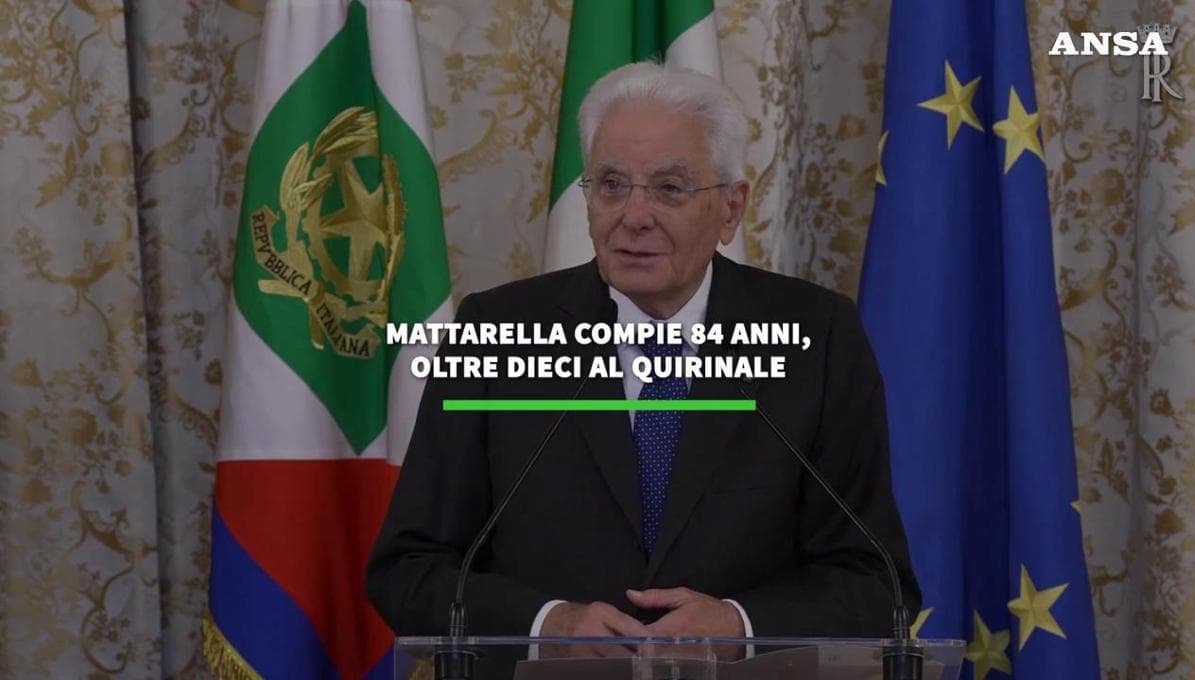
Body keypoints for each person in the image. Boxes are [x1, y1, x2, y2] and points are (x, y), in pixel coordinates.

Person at [366, 62, 920, 662]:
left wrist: (741, 626)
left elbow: (876, 584)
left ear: (731, 209)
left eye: (670, 188)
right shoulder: (497, 333)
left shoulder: (817, 338)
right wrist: (545, 626)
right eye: (611, 184)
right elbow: (408, 569)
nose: (633, 216)